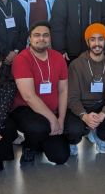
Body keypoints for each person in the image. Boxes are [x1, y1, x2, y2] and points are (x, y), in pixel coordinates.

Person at [10, 22, 76, 166]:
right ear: (30, 38)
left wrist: (61, 119)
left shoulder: (58, 57)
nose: (41, 39)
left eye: (45, 35)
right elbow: (29, 96)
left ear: (50, 38)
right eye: (37, 35)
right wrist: (53, 119)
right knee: (39, 127)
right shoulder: (22, 59)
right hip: (26, 109)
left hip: (52, 110)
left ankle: (40, 141)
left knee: (61, 157)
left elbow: (63, 90)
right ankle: (30, 146)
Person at [67, 24, 105, 155]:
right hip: (81, 108)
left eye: (100, 39)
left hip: (102, 107)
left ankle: (100, 136)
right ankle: (73, 142)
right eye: (92, 39)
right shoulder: (76, 65)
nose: (97, 43)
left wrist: (102, 115)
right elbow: (72, 97)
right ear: (87, 42)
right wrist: (84, 116)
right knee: (73, 129)